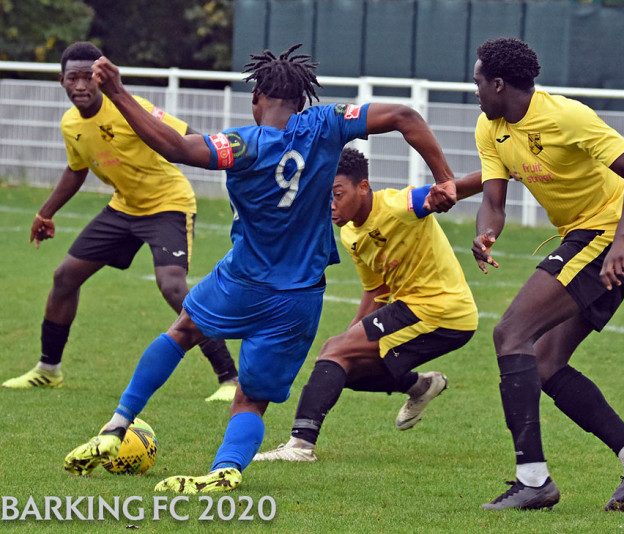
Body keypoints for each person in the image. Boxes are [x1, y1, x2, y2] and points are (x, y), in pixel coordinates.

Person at [62, 44, 457, 494]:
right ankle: (226, 470)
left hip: (242, 279)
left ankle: (116, 428)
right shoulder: (329, 123)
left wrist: (116, 91)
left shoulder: (242, 144)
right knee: (252, 397)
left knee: (184, 330)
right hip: (301, 296)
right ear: (301, 100)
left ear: (257, 99)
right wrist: (443, 177)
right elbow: (405, 116)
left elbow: (175, 146)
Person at [470, 37, 624, 512]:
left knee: (510, 332)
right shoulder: (490, 126)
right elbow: (493, 203)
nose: (474, 89)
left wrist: (621, 241)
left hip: (610, 235)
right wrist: (485, 234)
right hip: (585, 238)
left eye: (478, 80)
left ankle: (533, 480)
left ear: (499, 83)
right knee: (543, 363)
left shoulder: (566, 116)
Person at [1, 41, 238, 402]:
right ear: (61, 80)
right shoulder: (70, 124)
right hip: (124, 208)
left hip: (167, 203)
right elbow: (76, 169)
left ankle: (229, 379)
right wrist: (45, 212)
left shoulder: (130, 108)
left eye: (88, 77)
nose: (80, 86)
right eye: (72, 78)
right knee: (65, 277)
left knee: (173, 286)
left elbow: (188, 136)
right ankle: (49, 371)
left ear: (100, 78)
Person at [253, 148, 480, 463]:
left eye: (337, 194)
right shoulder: (349, 234)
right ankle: (421, 385)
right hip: (412, 308)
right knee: (345, 367)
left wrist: (505, 169)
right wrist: (348, 339)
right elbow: (377, 290)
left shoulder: (399, 206)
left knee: (337, 351)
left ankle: (301, 446)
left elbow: (455, 189)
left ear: (363, 187)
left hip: (442, 309)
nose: (330, 204)